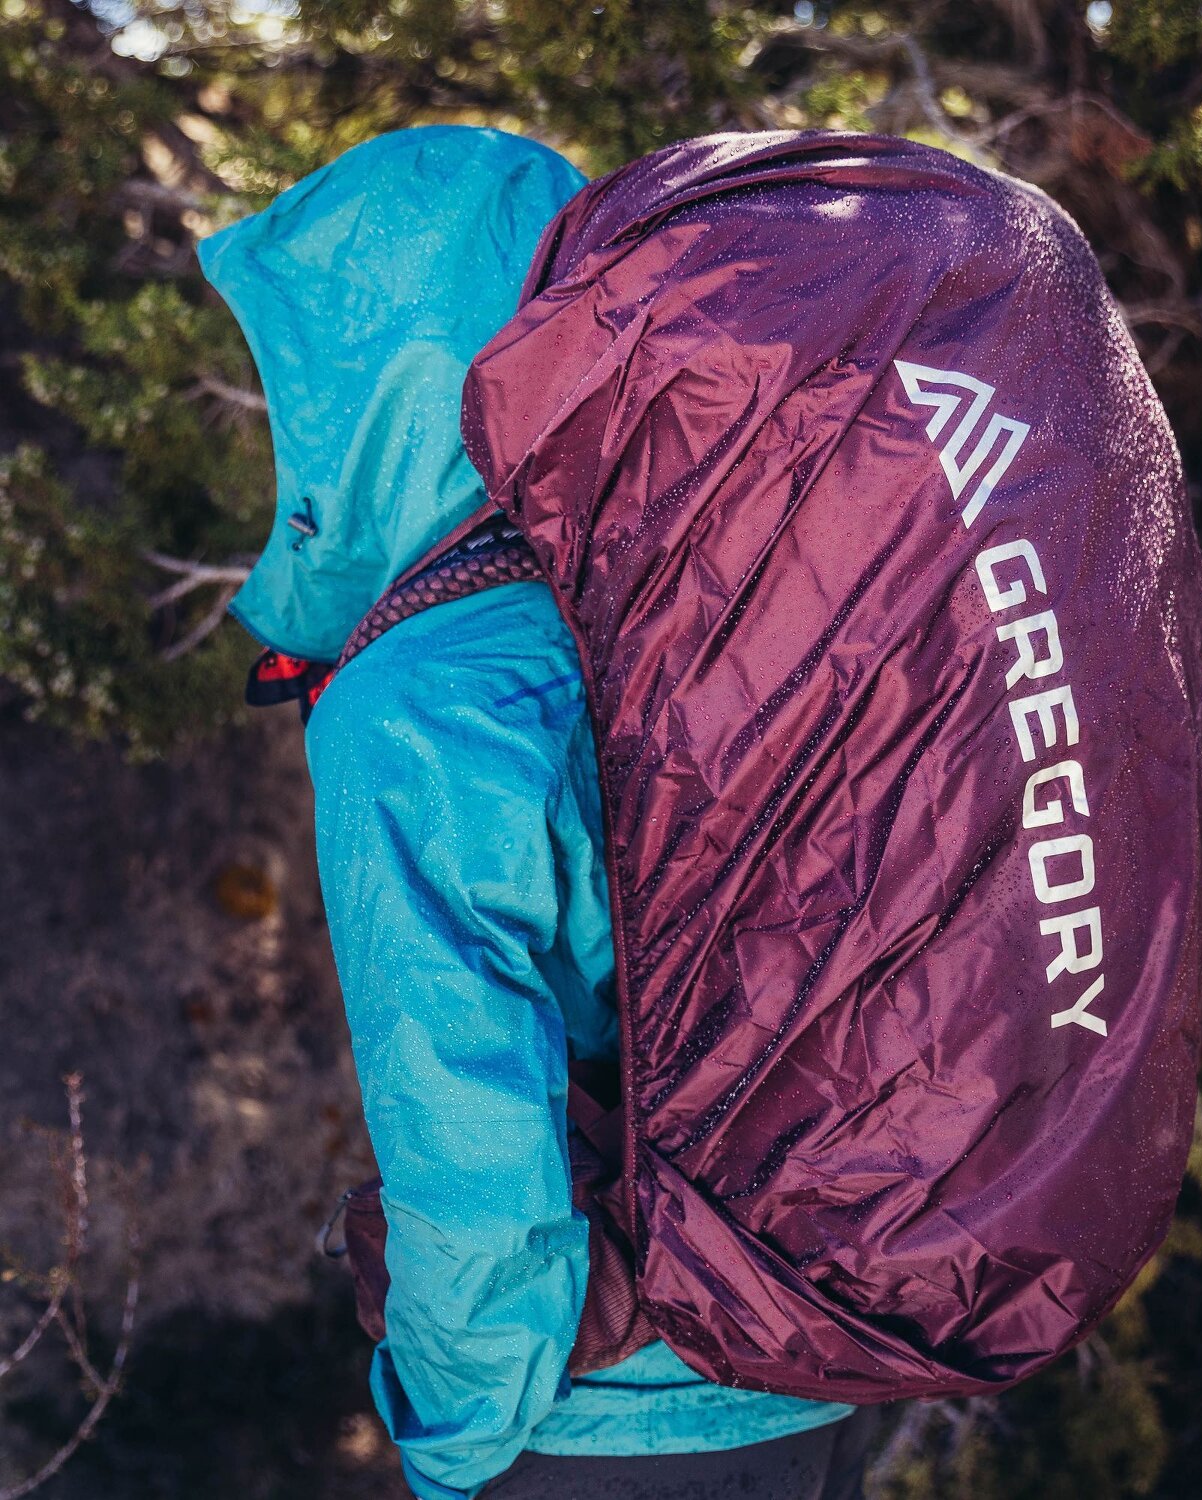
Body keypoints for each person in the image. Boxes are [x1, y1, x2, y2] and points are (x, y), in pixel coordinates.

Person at [198, 125, 865, 1499]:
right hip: (812, 1367)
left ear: (374, 387)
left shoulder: (419, 706)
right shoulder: (711, 600)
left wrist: (449, 1444)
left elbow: (473, 1161)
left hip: (604, 1420)